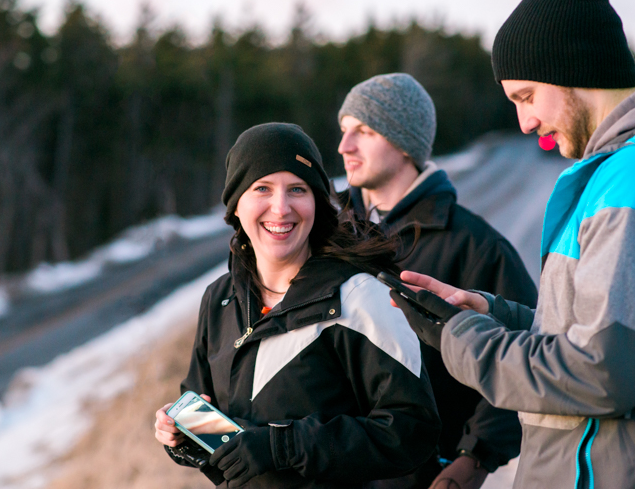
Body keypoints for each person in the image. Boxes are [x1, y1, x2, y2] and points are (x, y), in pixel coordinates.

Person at [394, 0, 635, 488]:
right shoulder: (617, 175)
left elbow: (603, 374)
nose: (524, 121)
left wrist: (460, 339)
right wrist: (492, 312)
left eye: (527, 96)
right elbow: (607, 331)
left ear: (573, 69)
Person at [154, 122, 441, 488]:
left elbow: (412, 429)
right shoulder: (220, 298)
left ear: (317, 203)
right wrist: (180, 432)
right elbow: (205, 412)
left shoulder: (359, 297)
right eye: (262, 188)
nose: (281, 207)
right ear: (235, 205)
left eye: (297, 189)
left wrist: (282, 446)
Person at [336, 73, 538, 489]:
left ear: (404, 141)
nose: (344, 147)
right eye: (343, 131)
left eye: (364, 131)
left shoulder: (477, 246)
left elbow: (522, 358)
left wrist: (473, 460)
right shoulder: (330, 236)